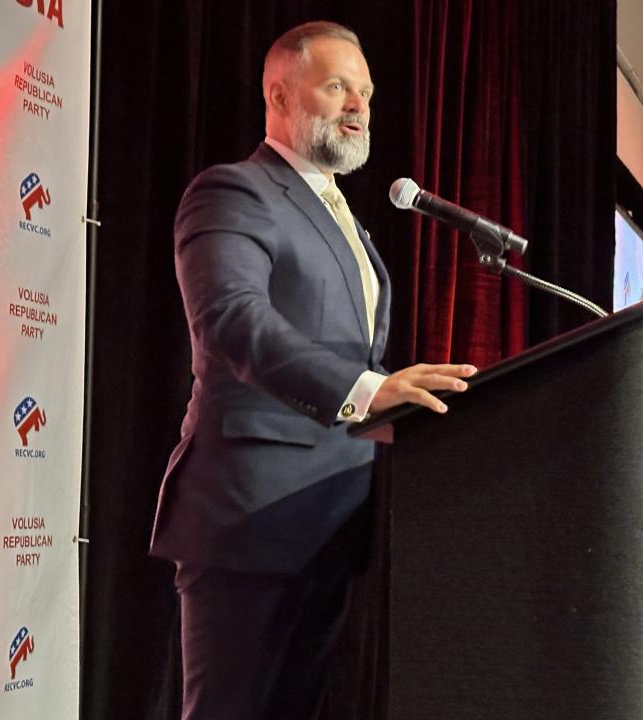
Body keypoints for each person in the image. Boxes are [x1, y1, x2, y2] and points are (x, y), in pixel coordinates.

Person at [149, 20, 477, 720]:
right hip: (251, 517)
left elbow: (346, 349)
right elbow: (232, 319)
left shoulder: (343, 217)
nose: (358, 105)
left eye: (366, 91)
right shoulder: (234, 191)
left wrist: (399, 415)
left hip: (335, 514)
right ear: (279, 92)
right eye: (337, 87)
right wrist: (368, 391)